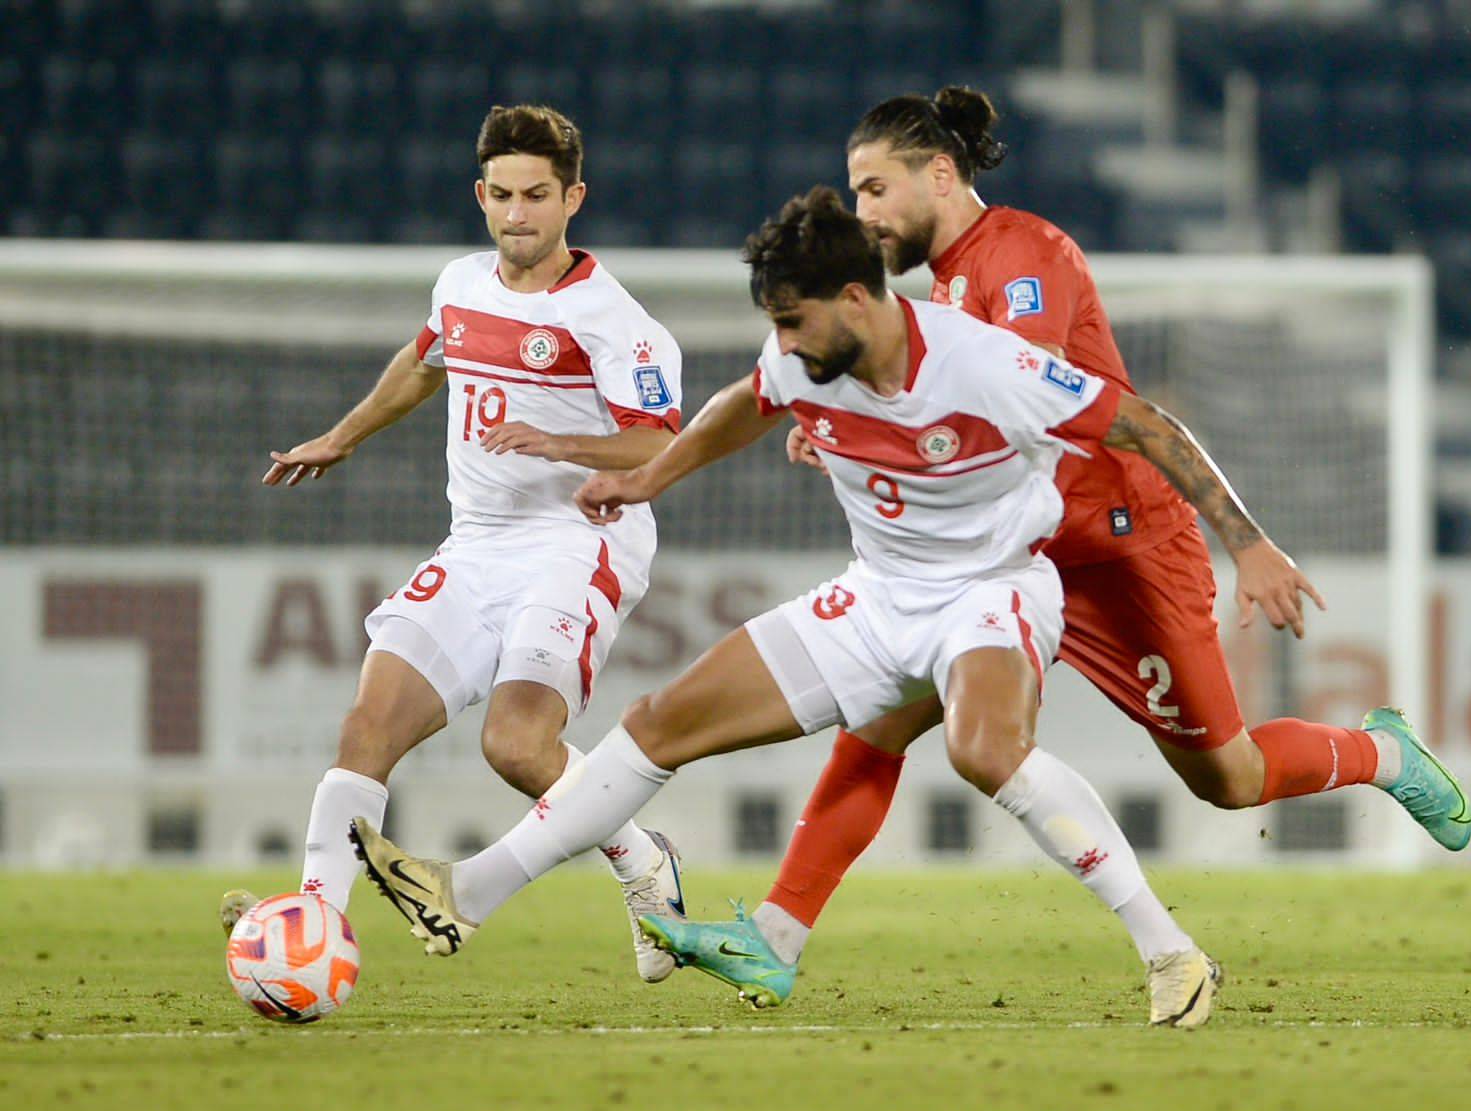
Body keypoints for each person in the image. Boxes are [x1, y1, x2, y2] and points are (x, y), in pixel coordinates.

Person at [347, 184, 1339, 1029]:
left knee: (983, 750)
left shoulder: (984, 363)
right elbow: (743, 401)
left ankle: (1172, 953)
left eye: (792, 320)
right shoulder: (801, 358)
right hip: (872, 602)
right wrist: (650, 476)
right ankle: (465, 893)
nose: (780, 343)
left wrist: (1248, 543)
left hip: (988, 593)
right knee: (658, 724)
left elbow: (1149, 425)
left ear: (856, 299)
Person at [656, 87, 1471, 1006]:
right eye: (855, 195)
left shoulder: (1023, 259)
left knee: (1228, 777)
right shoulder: (938, 286)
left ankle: (1382, 755)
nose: (864, 216)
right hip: (1009, 566)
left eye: (875, 190)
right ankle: (776, 935)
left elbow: (1024, 410)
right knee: (880, 723)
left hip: (1120, 551)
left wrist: (1248, 544)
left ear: (940, 173)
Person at [219, 104, 689, 983]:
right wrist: (342, 435)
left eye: (538, 196)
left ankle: (640, 860)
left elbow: (664, 443)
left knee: (516, 747)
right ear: (481, 196)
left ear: (573, 198)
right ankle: (315, 933)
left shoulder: (613, 321)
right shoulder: (460, 284)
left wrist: (559, 442)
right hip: (476, 544)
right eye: (503, 195)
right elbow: (421, 364)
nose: (519, 214)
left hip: (577, 540)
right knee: (367, 725)